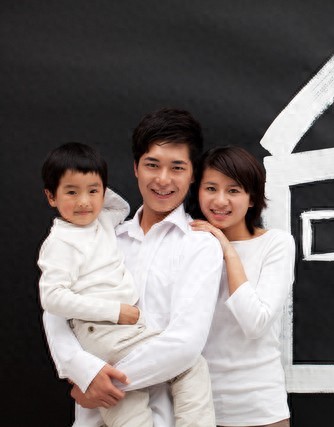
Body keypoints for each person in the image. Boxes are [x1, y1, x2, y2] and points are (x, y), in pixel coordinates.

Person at [42, 108, 223, 427]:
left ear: (193, 174)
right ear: (136, 167)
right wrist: (83, 372)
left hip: (165, 417)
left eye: (177, 168)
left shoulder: (199, 245)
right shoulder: (104, 233)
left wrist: (102, 384)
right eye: (152, 165)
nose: (163, 179)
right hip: (92, 417)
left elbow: (185, 343)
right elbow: (55, 313)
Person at [190, 146, 295, 427]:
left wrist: (228, 250)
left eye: (233, 190)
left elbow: (255, 323)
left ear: (252, 198)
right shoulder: (191, 243)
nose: (220, 200)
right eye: (211, 188)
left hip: (259, 407)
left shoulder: (276, 244)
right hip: (197, 406)